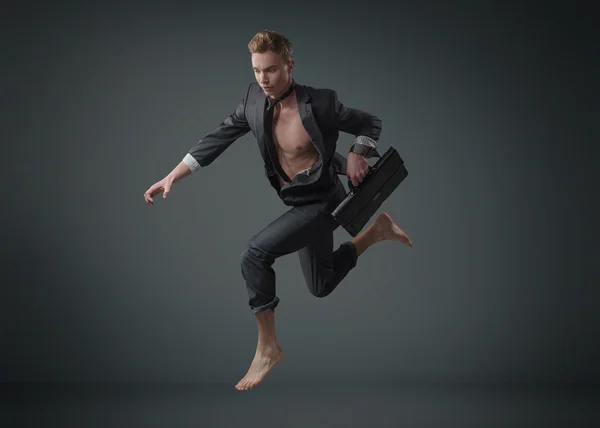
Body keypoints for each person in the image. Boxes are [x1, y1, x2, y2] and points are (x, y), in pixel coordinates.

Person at [144, 30, 412, 391]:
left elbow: (369, 123)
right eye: (256, 71)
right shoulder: (253, 101)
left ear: (289, 65)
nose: (263, 79)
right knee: (321, 284)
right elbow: (218, 138)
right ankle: (376, 231)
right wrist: (172, 175)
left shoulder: (320, 103)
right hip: (296, 202)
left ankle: (267, 347)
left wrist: (356, 153)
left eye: (270, 70)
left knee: (255, 255)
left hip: (325, 199)